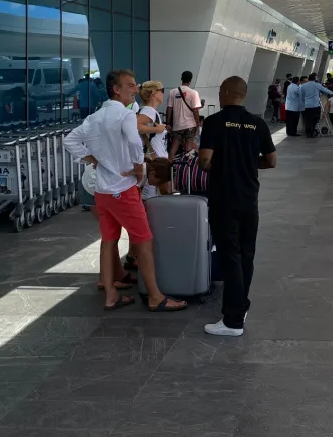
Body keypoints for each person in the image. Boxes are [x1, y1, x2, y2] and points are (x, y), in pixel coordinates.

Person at [63, 69, 186, 313]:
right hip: (123, 189)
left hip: (102, 192)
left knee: (109, 241)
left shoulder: (94, 118)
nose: (135, 89)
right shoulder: (125, 115)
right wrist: (138, 168)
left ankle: (110, 295)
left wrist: (91, 158)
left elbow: (69, 141)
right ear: (116, 89)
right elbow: (133, 142)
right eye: (130, 85)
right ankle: (154, 296)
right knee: (144, 240)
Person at [199, 76, 276, 336]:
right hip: (249, 198)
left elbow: (205, 161)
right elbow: (271, 161)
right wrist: (246, 162)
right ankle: (240, 306)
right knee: (246, 253)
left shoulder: (213, 122)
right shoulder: (258, 123)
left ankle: (233, 320)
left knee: (229, 254)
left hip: (223, 198)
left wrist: (222, 162)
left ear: (226, 92)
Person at [167, 71, 201, 159]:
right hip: (190, 125)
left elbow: (169, 108)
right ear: (190, 80)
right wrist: (198, 124)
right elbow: (195, 110)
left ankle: (168, 167)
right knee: (189, 145)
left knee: (174, 146)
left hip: (177, 125)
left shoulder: (172, 92)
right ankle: (186, 167)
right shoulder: (194, 93)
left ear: (181, 78)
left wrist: (168, 123)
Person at [137, 81, 168, 161]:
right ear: (154, 93)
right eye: (162, 90)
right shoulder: (149, 110)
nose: (163, 93)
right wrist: (157, 129)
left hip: (154, 159)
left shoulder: (146, 110)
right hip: (154, 160)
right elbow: (136, 126)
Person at [300, 73, 333, 138]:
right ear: (315, 78)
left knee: (308, 119)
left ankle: (309, 132)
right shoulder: (317, 85)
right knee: (316, 118)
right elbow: (325, 90)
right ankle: (311, 131)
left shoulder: (303, 86)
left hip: (306, 106)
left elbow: (302, 96)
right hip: (315, 106)